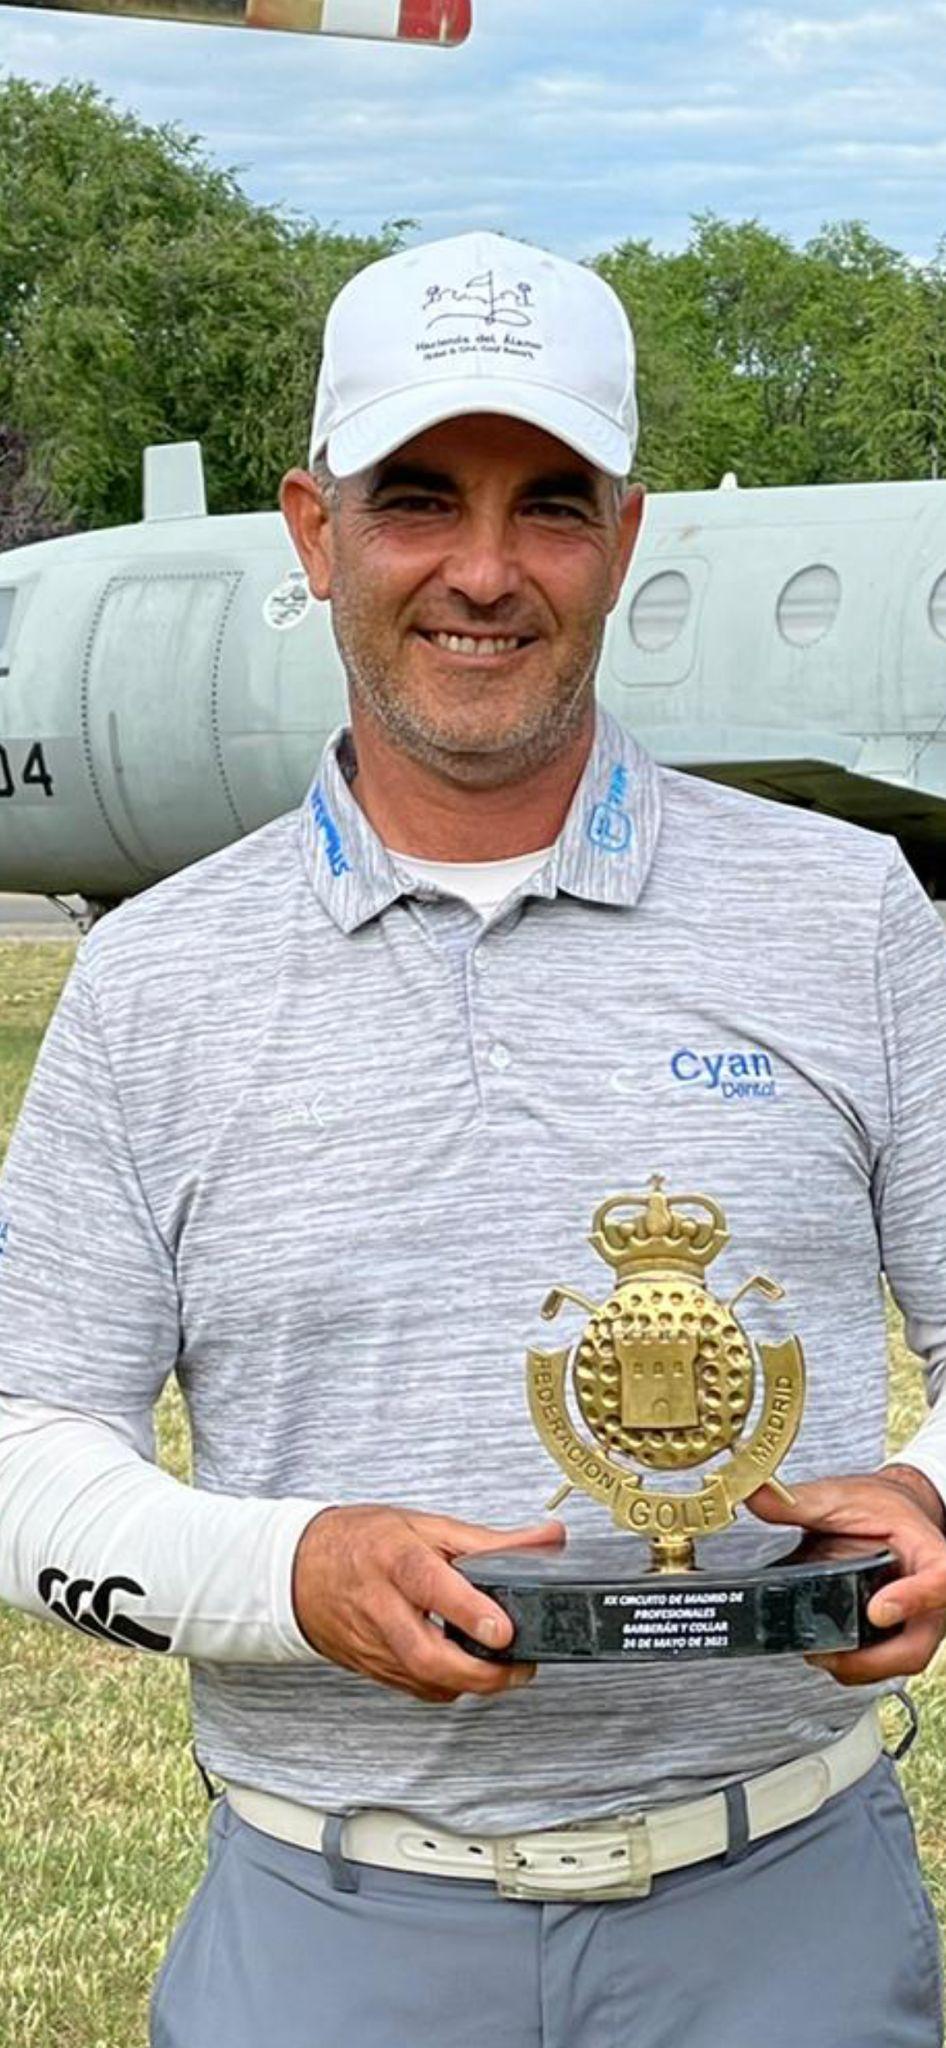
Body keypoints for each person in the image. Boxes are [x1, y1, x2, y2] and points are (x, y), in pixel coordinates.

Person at [0, 229, 944, 2048]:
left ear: (626, 535)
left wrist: (925, 1500)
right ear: (313, 528)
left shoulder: (853, 920)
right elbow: (25, 1443)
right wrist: (288, 1577)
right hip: (329, 1930)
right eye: (419, 497)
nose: (486, 572)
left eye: (553, 504)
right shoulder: (157, 982)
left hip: (782, 1926)